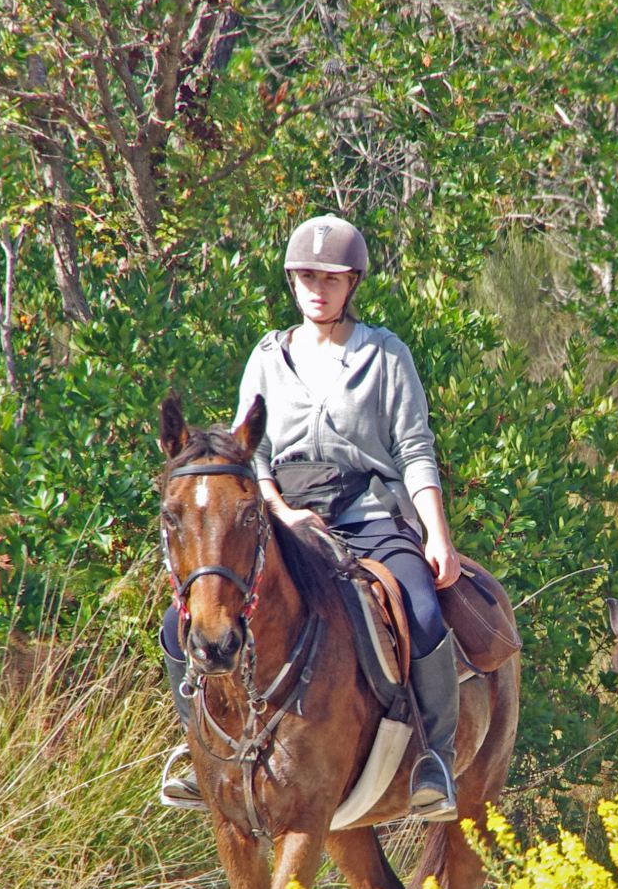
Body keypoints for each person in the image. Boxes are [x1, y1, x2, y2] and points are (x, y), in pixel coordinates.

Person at [159, 214, 464, 819]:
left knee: (425, 613)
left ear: (353, 283)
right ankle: (199, 752)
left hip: (369, 513)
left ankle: (435, 758)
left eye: (329, 278)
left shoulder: (386, 355)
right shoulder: (268, 356)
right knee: (179, 624)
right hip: (282, 520)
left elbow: (414, 450)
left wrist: (436, 532)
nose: (315, 289)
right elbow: (250, 453)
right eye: (304, 276)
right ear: (292, 282)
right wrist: (281, 512)